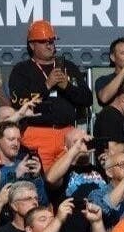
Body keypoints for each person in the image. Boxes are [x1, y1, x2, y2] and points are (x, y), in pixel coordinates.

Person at [8, 19, 92, 171]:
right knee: (39, 178)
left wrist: (67, 87)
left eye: (51, 41)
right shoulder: (22, 70)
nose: (49, 45)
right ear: (32, 45)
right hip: (36, 133)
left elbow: (87, 99)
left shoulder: (68, 67)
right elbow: (19, 103)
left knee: (69, 178)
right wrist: (47, 85)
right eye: (43, 41)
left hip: (67, 134)